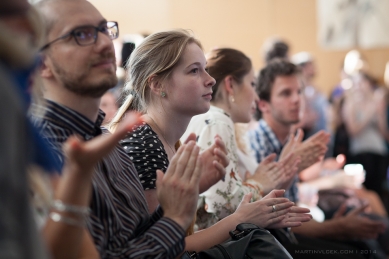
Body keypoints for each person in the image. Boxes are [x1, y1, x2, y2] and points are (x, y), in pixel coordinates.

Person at [111, 32, 312, 252]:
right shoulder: (145, 143)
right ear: (158, 84)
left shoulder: (168, 140)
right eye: (194, 71)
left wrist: (196, 188)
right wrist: (241, 219)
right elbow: (159, 250)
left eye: (205, 68)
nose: (210, 80)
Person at [34, 0, 204, 258]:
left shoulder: (106, 139)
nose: (104, 43)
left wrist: (173, 206)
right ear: (42, 63)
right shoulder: (40, 151)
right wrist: (175, 220)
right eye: (81, 34)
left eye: (104, 29)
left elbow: (134, 237)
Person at [249, 58, 387, 258]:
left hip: (293, 230)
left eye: (299, 92)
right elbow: (277, 223)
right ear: (263, 104)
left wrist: (334, 225)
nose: (297, 99)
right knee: (360, 250)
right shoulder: (260, 143)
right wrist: (334, 228)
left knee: (373, 230)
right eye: (286, 93)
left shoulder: (289, 139)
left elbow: (293, 208)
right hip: (275, 242)